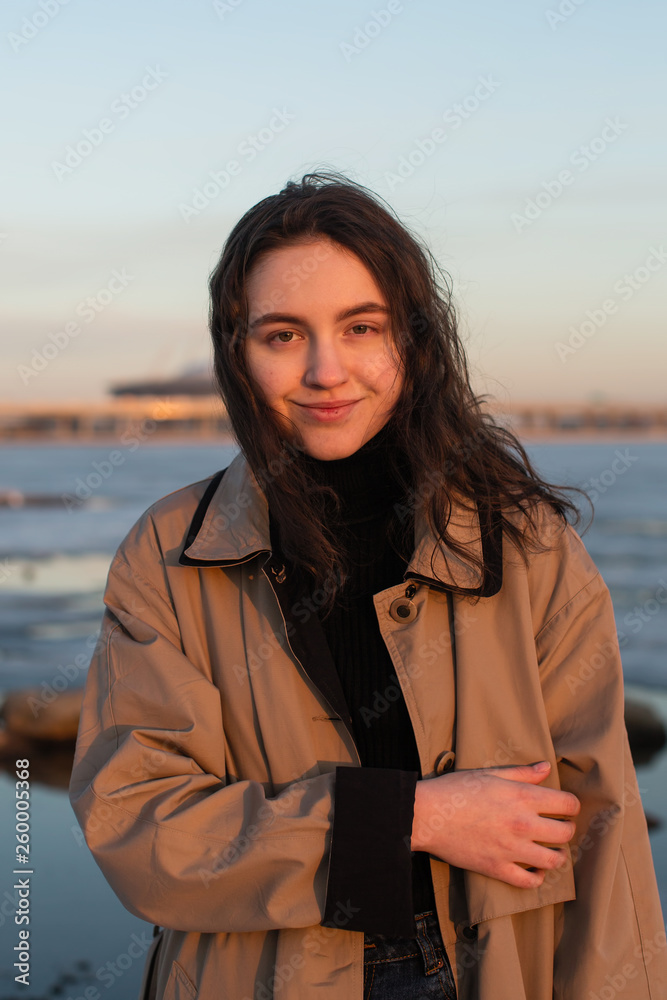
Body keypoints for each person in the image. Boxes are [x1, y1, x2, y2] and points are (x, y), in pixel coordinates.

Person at [69, 172, 666, 1000]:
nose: (325, 369)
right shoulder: (169, 553)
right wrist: (410, 818)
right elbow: (135, 823)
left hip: (498, 972)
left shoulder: (525, 544)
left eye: (361, 327)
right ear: (235, 352)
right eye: (281, 335)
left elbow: (604, 837)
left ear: (412, 341)